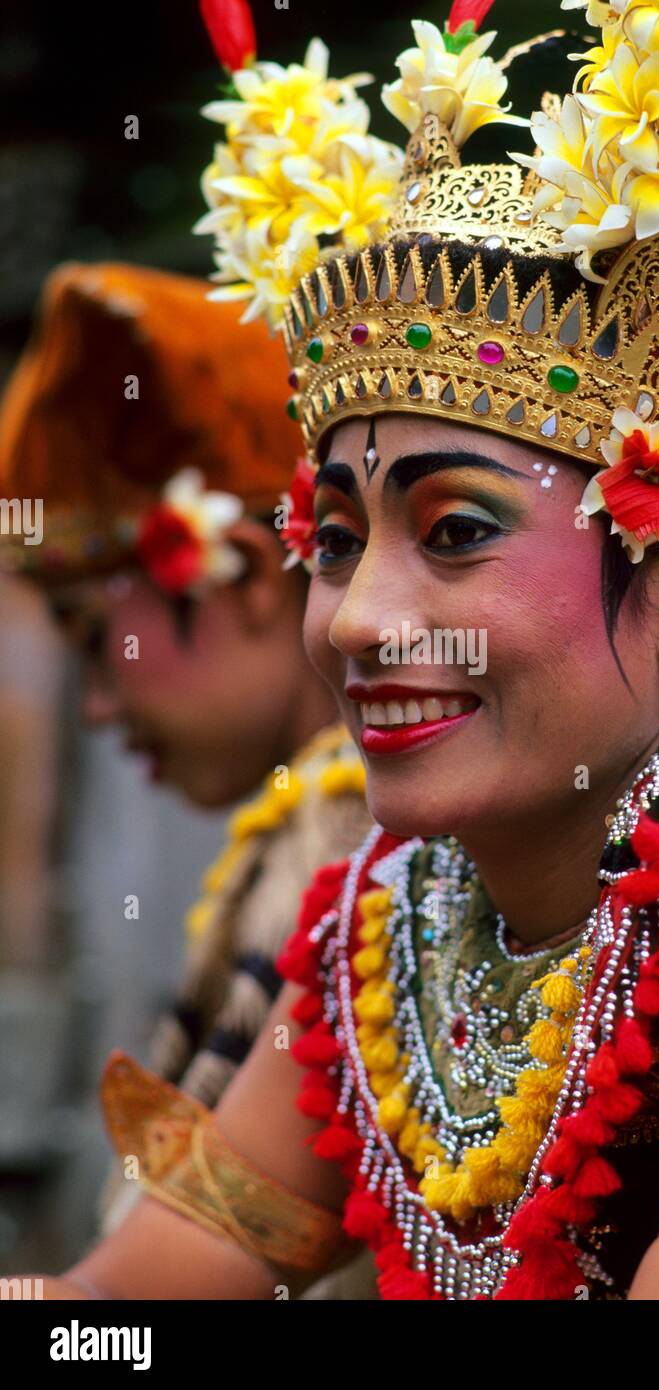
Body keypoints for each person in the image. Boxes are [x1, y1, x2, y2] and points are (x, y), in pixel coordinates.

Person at [26, 0, 659, 1299]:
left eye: (456, 529)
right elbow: (117, 1315)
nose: (354, 617)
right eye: (341, 538)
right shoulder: (398, 914)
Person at [0, 261, 369, 1228]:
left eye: (94, 638)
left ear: (242, 575)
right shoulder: (317, 826)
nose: (94, 710)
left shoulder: (354, 847)